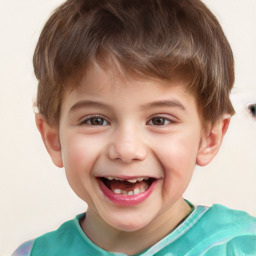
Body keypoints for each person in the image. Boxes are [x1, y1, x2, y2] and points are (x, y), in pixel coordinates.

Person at [12, 0, 256, 255]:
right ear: (53, 139)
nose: (127, 150)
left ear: (209, 138)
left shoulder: (241, 247)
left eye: (159, 120)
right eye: (96, 120)